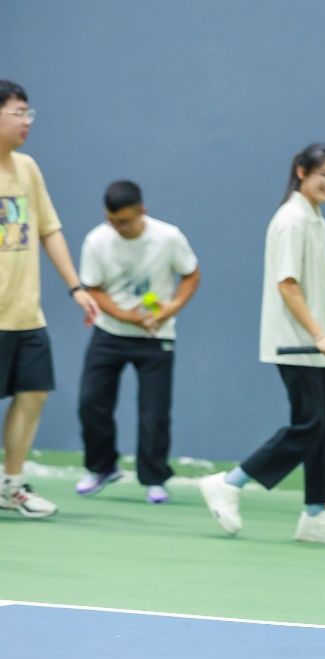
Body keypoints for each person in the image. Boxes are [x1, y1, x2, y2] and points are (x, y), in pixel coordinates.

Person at [198, 143, 325, 545]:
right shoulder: (291, 220)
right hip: (296, 343)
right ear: (302, 171)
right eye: (324, 174)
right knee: (309, 426)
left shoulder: (315, 219)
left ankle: (317, 516)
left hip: (316, 344)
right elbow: (287, 284)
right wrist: (318, 334)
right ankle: (229, 483)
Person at [0, 80, 99, 518]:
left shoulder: (28, 169)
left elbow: (48, 229)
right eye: (18, 113)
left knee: (34, 392)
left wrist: (77, 288)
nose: (27, 121)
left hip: (26, 314)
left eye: (29, 113)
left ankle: (10, 485)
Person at [75, 180, 201, 504]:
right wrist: (124, 315)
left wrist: (171, 309)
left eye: (125, 221)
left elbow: (191, 274)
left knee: (154, 413)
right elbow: (93, 287)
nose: (118, 227)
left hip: (156, 337)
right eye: (112, 221)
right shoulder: (96, 241)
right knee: (91, 403)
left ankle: (154, 479)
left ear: (142, 210)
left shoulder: (169, 237)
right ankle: (102, 468)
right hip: (108, 334)